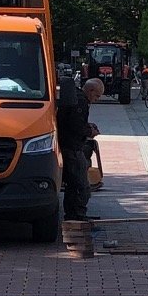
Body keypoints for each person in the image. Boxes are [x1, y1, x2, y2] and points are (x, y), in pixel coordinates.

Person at [57, 76, 104, 221]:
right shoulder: (81, 101)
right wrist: (89, 132)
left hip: (67, 145)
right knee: (81, 185)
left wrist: (87, 126)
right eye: (96, 96)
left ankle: (73, 214)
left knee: (73, 184)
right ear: (90, 90)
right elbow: (75, 125)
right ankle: (78, 214)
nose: (96, 100)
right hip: (72, 147)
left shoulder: (75, 97)